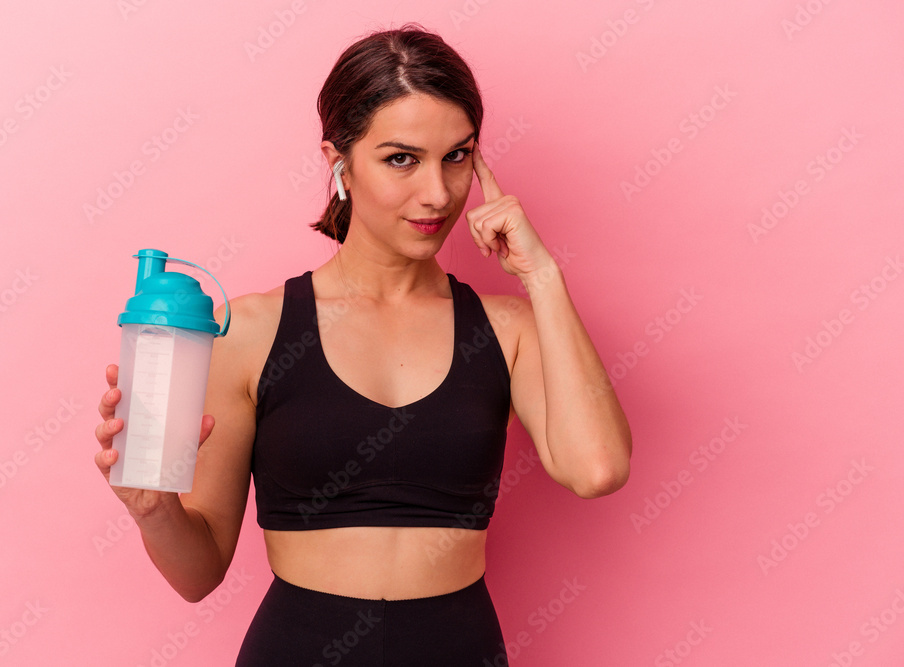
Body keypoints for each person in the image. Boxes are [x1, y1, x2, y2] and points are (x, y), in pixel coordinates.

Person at [94, 24, 632, 666]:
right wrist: (152, 509)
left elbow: (597, 468)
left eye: (457, 156)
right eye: (401, 158)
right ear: (338, 160)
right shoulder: (254, 331)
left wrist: (544, 277)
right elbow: (199, 572)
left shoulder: (507, 328)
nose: (437, 193)